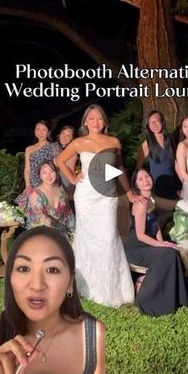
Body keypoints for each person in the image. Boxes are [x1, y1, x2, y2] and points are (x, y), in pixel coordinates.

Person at [0, 226, 106, 374]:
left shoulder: (93, 333)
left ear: (70, 283)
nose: (37, 285)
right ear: (10, 278)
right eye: (24, 268)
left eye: (52, 270)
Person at [56, 104, 136, 307]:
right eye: (91, 118)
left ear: (105, 121)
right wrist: (73, 178)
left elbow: (119, 169)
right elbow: (59, 160)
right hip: (86, 196)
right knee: (89, 239)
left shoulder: (114, 141)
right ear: (85, 122)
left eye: (99, 118)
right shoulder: (78, 142)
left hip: (107, 197)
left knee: (108, 238)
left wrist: (129, 192)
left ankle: (111, 288)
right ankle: (87, 285)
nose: (96, 122)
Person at [125, 168, 188, 316]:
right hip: (135, 248)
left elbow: (156, 227)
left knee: (172, 252)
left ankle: (178, 298)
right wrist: (162, 245)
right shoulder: (141, 203)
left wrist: (164, 242)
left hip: (147, 244)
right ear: (136, 185)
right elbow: (141, 235)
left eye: (147, 176)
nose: (146, 180)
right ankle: (144, 297)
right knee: (168, 253)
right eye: (140, 179)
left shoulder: (152, 200)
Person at [16, 161, 75, 238]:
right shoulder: (36, 193)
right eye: (44, 172)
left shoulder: (61, 190)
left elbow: (69, 216)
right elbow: (40, 220)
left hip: (62, 236)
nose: (49, 175)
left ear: (56, 173)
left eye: (52, 171)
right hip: (42, 236)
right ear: (39, 175)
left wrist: (74, 234)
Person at [137, 110, 181, 199]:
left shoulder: (170, 140)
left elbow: (176, 163)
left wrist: (184, 181)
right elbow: (138, 168)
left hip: (172, 182)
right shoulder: (147, 144)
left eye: (156, 121)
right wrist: (142, 190)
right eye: (150, 123)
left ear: (162, 122)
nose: (154, 125)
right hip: (158, 185)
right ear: (148, 126)